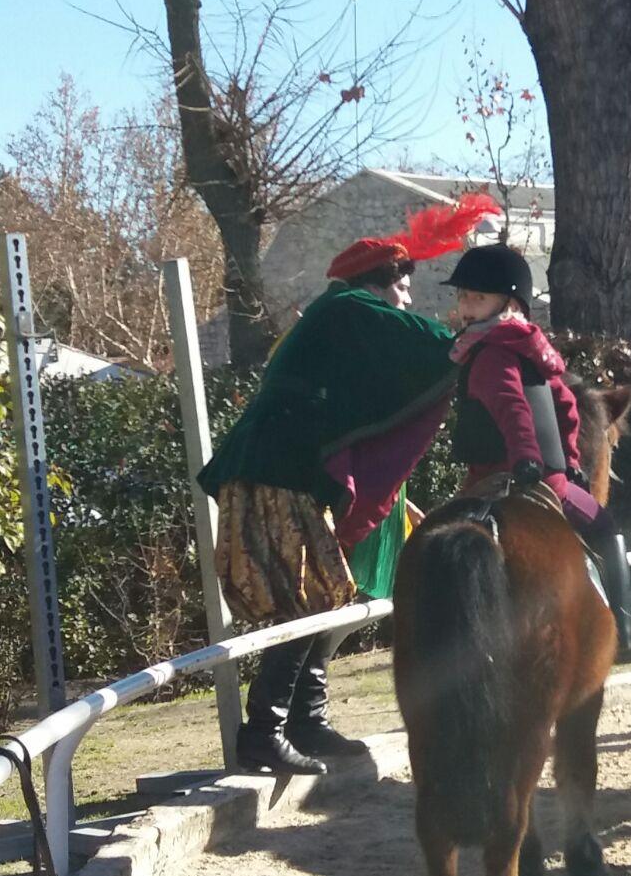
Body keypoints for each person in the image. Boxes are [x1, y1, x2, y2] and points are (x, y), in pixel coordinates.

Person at [199, 194, 500, 774]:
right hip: (276, 471)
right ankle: (266, 729)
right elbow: (424, 341)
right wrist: (487, 336)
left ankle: (305, 722)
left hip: (284, 470)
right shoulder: (348, 308)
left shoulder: (336, 318)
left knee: (325, 591)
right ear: (377, 284)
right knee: (312, 595)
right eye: (403, 287)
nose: (408, 299)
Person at [442, 243, 631, 663]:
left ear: (511, 304)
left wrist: (525, 458)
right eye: (463, 296)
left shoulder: (489, 353)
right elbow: (567, 408)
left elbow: (512, 408)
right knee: (608, 530)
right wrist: (568, 464)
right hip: (546, 479)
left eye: (477, 297)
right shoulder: (534, 352)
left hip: (488, 481)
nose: (465, 306)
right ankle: (626, 631)